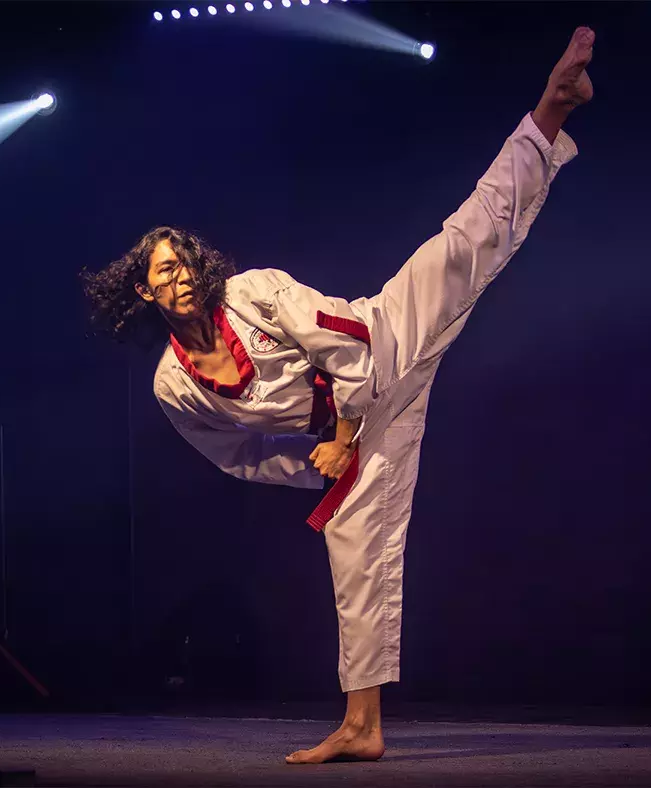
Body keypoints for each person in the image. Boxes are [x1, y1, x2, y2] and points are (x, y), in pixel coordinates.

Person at [81, 26, 595, 764]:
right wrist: (317, 465)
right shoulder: (173, 386)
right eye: (162, 272)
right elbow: (238, 457)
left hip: (380, 342)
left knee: (461, 246)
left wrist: (344, 439)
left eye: (184, 262)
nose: (180, 276)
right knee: (355, 558)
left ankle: (551, 107)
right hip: (352, 431)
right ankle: (363, 727)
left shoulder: (252, 294)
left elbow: (348, 349)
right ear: (144, 290)